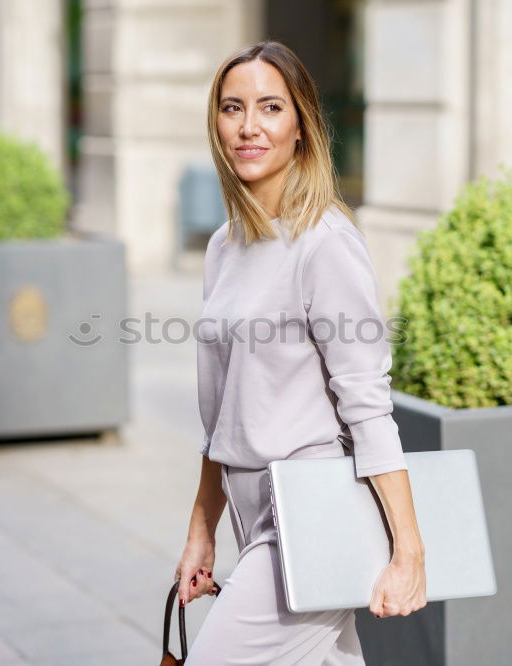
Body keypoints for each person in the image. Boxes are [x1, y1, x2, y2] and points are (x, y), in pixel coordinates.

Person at [174, 41, 427, 664]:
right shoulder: (222, 248)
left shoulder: (326, 244)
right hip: (251, 506)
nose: (249, 126)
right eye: (232, 108)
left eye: (270, 107)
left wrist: (408, 551)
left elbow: (368, 405)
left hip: (313, 512)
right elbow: (220, 419)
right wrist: (201, 530)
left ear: (301, 129)